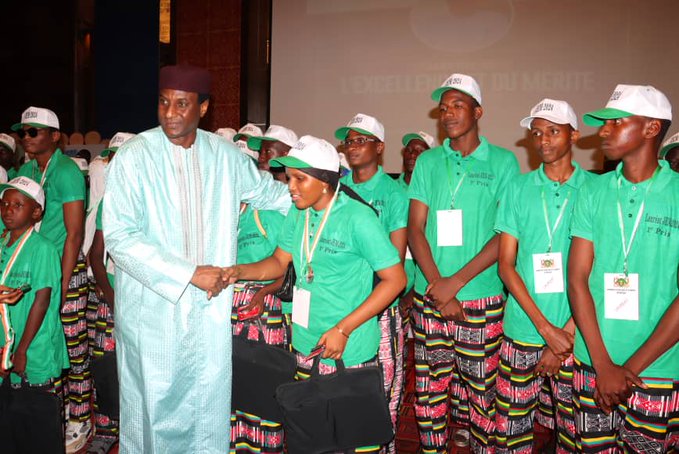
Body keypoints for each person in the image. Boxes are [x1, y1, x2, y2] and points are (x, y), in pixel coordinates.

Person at [103, 64, 291, 453]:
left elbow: (273, 195)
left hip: (208, 313)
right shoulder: (134, 156)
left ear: (203, 108)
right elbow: (119, 238)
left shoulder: (225, 156)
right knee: (151, 407)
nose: (170, 113)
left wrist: (328, 194)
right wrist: (189, 274)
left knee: (206, 407)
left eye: (182, 104)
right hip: (153, 311)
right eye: (163, 102)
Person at [224, 135, 406, 453]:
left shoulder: (358, 219)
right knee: (314, 438)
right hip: (307, 345)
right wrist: (237, 272)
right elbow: (279, 262)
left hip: (347, 349)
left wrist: (343, 328)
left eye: (299, 179)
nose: (290, 186)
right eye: (290, 177)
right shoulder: (299, 212)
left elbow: (395, 279)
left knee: (353, 440)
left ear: (324, 181)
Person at [408, 73, 519, 453]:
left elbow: (505, 234)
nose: (448, 113)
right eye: (443, 108)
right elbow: (415, 229)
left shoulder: (504, 162)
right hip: (430, 299)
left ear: (478, 111)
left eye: (458, 105)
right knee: (429, 393)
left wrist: (454, 283)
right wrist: (439, 286)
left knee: (482, 396)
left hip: (481, 302)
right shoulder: (428, 161)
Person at [569, 84, 679, 453]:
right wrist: (603, 365)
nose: (603, 130)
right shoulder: (592, 191)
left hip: (658, 369)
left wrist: (626, 370)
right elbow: (577, 279)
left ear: (651, 129)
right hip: (592, 361)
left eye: (616, 122)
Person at [495, 99, 595, 452]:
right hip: (523, 329)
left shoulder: (596, 190)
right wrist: (544, 329)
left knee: (576, 433)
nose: (543, 140)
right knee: (511, 428)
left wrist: (564, 335)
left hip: (577, 337)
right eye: (537, 133)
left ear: (575, 136)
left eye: (553, 131)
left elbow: (597, 272)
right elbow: (506, 264)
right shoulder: (517, 188)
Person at [12, 106, 90, 452]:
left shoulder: (68, 171)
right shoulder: (26, 170)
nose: (26, 137)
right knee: (44, 343)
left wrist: (62, 281)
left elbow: (74, 234)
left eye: (34, 132)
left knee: (72, 347)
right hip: (34, 269)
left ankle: (80, 418)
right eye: (23, 132)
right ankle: (46, 411)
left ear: (55, 136)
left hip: (65, 270)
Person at [335, 113, 408, 454]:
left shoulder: (393, 193)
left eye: (360, 140)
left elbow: (396, 254)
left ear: (380, 148)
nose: (352, 147)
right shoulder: (336, 189)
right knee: (340, 390)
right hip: (339, 302)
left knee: (382, 390)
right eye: (348, 141)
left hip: (377, 305)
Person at [0, 176, 69, 452]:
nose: (8, 209)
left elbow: (42, 300)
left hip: (33, 348)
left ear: (36, 212)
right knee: (9, 426)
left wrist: (23, 349)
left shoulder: (43, 248)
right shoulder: (2, 243)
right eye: (4, 203)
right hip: (6, 347)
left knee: (38, 427)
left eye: (17, 204)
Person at [228, 144, 288, 454]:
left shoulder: (265, 213)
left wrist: (262, 291)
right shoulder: (219, 217)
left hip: (262, 313)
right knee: (232, 393)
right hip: (226, 316)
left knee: (262, 392)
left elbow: (287, 265)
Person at [85, 132, 135, 454]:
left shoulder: (153, 199)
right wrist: (111, 295)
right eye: (112, 158)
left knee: (139, 370)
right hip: (112, 297)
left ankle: (133, 432)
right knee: (105, 367)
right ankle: (105, 429)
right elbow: (95, 254)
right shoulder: (109, 200)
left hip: (144, 301)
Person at [398, 131, 435, 326]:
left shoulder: (435, 192)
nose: (412, 154)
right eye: (409, 150)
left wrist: (412, 294)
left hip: (422, 280)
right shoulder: (391, 188)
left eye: (419, 151)